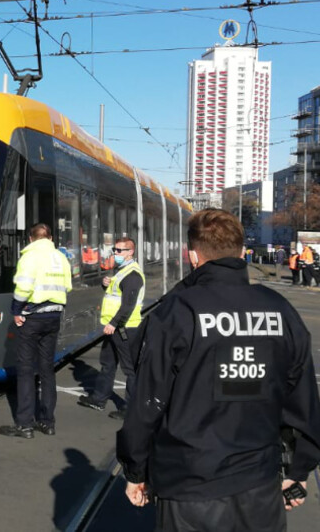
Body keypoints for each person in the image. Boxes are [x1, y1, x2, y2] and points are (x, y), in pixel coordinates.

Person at [118, 209, 320, 529]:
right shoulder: (280, 310)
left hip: (188, 484)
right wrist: (298, 471)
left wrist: (135, 470)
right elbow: (303, 399)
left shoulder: (177, 310)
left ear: (192, 256)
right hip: (259, 483)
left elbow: (147, 401)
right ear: (242, 253)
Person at [0, 223, 72, 439]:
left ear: (31, 239)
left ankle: (24, 424)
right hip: (54, 316)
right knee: (47, 369)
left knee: (26, 369)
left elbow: (23, 287)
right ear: (49, 238)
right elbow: (67, 286)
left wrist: (16, 310)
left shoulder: (29, 257)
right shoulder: (60, 257)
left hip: (33, 317)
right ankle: (47, 422)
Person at [78, 237, 144, 420]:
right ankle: (99, 399)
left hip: (124, 328)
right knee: (107, 364)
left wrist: (114, 323)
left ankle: (130, 408)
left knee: (129, 369)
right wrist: (105, 284)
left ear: (130, 252)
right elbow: (115, 295)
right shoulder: (121, 271)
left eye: (119, 251)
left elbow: (128, 305)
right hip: (112, 328)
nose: (115, 254)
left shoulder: (133, 275)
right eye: (114, 250)